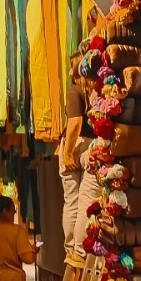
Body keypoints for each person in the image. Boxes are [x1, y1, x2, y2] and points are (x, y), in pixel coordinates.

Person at [59, 72, 91, 253]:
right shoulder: (95, 92)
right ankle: (83, 247)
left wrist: (68, 152)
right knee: (86, 201)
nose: (69, 72)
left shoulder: (75, 91)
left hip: (75, 144)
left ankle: (73, 250)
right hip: (90, 145)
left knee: (72, 201)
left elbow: (75, 122)